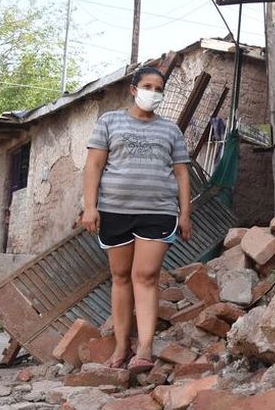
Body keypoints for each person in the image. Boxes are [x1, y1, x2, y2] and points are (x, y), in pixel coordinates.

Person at [79, 66, 192, 373]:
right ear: (133, 89)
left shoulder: (171, 131)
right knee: (119, 277)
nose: (153, 93)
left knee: (146, 276)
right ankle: (120, 347)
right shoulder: (109, 121)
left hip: (158, 212)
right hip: (115, 210)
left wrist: (185, 214)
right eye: (147, 87)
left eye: (158, 89)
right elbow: (94, 166)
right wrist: (90, 207)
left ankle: (144, 349)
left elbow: (182, 173)